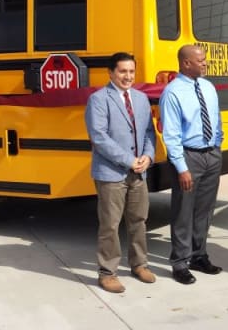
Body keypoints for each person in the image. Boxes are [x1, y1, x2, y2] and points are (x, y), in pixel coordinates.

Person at [85, 52, 156, 293]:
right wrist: (129, 160)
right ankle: (107, 273)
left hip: (139, 172)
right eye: (123, 71)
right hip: (111, 173)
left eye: (131, 71)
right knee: (110, 225)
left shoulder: (141, 98)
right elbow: (99, 137)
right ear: (111, 73)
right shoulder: (98, 99)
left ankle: (139, 264)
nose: (128, 76)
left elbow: (148, 132)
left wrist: (148, 156)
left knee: (138, 221)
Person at [160, 45, 224, 285]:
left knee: (205, 210)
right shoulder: (172, 92)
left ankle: (198, 255)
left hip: (211, 155)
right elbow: (171, 134)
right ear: (186, 63)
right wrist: (181, 167)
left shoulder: (208, 87)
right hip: (189, 157)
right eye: (201, 60)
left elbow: (216, 119)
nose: (205, 63)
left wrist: (217, 144)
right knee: (183, 211)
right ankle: (179, 262)